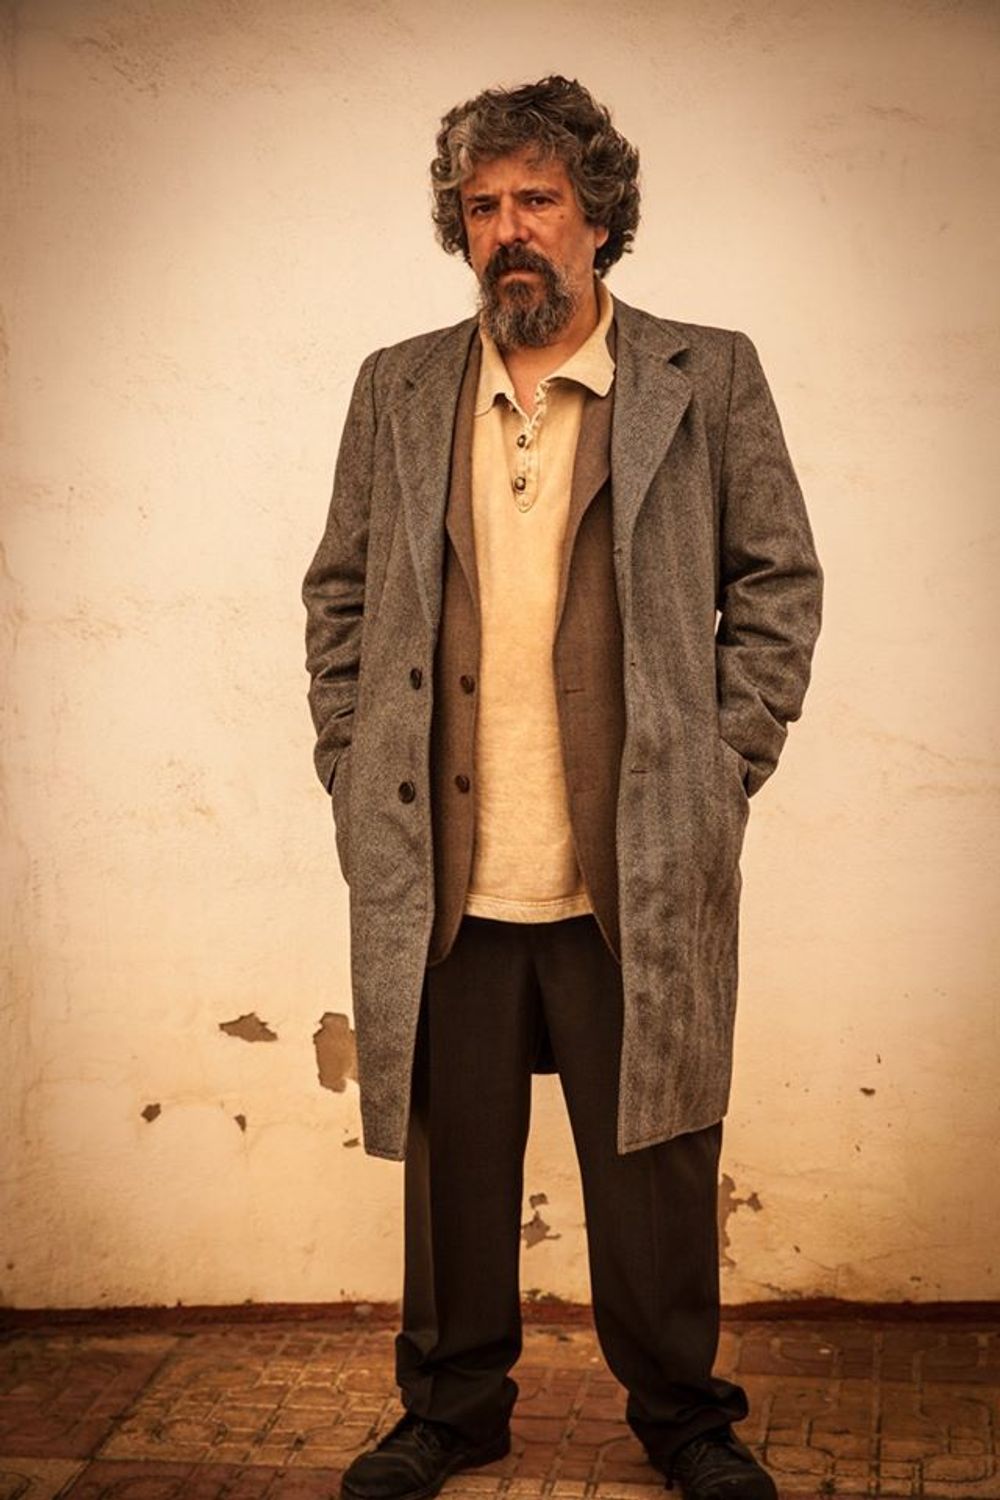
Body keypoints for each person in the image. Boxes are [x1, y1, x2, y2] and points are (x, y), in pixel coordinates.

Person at [303, 75, 822, 1500]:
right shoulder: (401, 386)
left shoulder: (705, 377)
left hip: (633, 861)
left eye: (538, 198)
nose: (509, 229)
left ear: (599, 217)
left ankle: (687, 1419)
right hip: (445, 865)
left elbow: (777, 584)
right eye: (482, 207)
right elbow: (341, 594)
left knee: (657, 1156)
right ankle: (451, 1408)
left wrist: (719, 770)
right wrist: (350, 762)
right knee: (452, 1165)